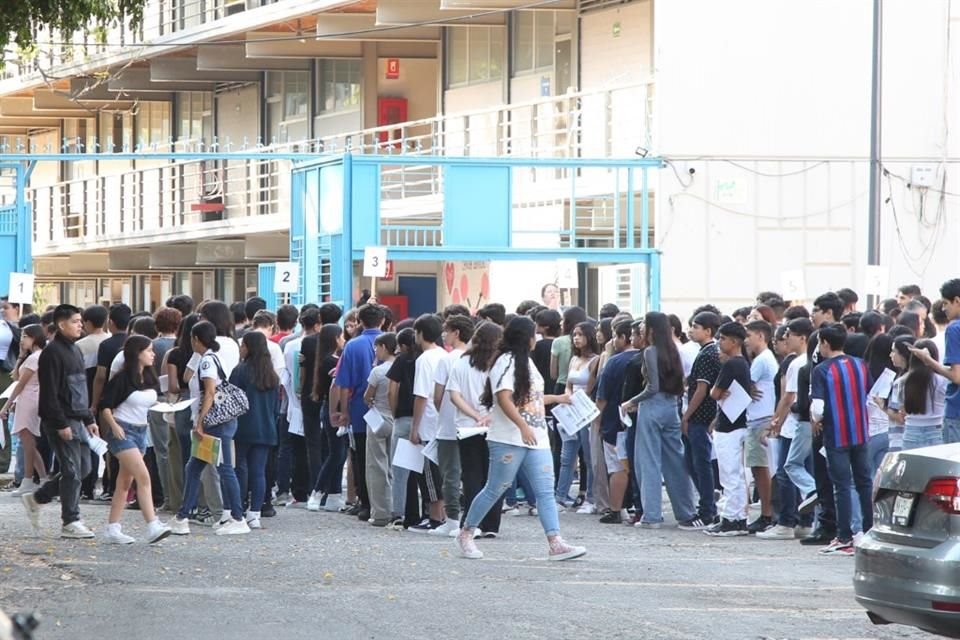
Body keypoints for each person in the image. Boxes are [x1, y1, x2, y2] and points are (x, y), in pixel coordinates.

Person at [455, 316, 585, 561]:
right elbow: (504, 397)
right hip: (508, 438)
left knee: (545, 490)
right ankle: (466, 532)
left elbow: (531, 399)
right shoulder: (506, 361)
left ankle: (555, 541)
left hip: (536, 437)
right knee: (495, 488)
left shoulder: (527, 363)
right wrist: (522, 425)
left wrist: (557, 399)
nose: (536, 338)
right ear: (525, 337)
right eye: (533, 334)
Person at [21, 304, 99, 539]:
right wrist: (60, 423)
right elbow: (50, 393)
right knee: (72, 470)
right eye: (75, 321)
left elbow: (79, 388)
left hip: (78, 419)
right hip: (61, 421)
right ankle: (70, 520)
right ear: (62, 324)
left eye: (80, 321)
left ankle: (38, 498)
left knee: (83, 468)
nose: (80, 325)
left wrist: (88, 418)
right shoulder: (52, 352)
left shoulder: (74, 350)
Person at [170, 320, 249, 536]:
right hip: (220, 422)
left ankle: (237, 517)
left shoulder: (206, 362)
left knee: (223, 468)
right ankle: (182, 516)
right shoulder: (215, 357)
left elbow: (210, 392)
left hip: (214, 423)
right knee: (194, 467)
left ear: (196, 339)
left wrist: (200, 421)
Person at [625, 312, 700, 530]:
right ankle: (686, 512)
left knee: (648, 462)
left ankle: (652, 515)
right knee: (675, 461)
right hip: (671, 408)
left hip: (652, 407)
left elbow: (651, 387)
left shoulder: (650, 351)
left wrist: (630, 401)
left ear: (651, 329)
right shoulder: (674, 350)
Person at [98, 335, 171, 544]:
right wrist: (114, 427)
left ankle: (113, 527)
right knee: (143, 475)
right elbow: (105, 406)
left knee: (125, 481)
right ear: (137, 353)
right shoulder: (122, 379)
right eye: (148, 351)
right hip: (123, 431)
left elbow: (148, 402)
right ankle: (152, 524)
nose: (153, 354)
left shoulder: (148, 377)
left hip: (141, 430)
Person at [811, 323, 873, 556]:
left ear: (825, 343)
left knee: (842, 486)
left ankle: (844, 535)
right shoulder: (860, 365)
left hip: (836, 434)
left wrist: (817, 419)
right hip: (860, 431)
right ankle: (868, 530)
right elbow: (869, 394)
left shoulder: (822, 370)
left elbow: (817, 408)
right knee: (864, 482)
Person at [447, 321, 502, 537]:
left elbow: (454, 394)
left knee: (471, 475)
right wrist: (488, 416)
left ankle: (472, 521)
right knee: (494, 476)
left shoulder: (462, 362)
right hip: (496, 426)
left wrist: (474, 415)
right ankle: (492, 524)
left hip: (467, 427)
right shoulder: (499, 364)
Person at [331, 304, 384, 521]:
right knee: (384, 458)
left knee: (360, 457)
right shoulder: (392, 341)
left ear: (360, 321)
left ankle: (365, 502)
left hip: (360, 410)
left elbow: (343, 383)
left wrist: (344, 412)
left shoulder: (353, 346)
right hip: (387, 409)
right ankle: (383, 502)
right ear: (382, 321)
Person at [706, 322, 753, 537]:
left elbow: (715, 393)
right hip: (736, 422)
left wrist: (717, 392)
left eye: (723, 338)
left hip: (729, 426)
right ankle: (738, 517)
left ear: (734, 341)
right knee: (735, 473)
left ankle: (731, 518)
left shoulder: (733, 364)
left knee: (729, 473)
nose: (719, 343)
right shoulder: (742, 363)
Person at [230, 331, 280, 530]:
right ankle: (255, 513)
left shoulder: (240, 370)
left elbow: (231, 398)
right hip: (267, 427)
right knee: (259, 471)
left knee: (240, 467)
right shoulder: (271, 375)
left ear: (249, 348)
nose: (241, 349)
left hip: (243, 425)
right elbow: (277, 406)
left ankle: (238, 508)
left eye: (243, 346)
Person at [431, 315, 475, 536]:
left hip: (449, 424)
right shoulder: (476, 358)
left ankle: (452, 520)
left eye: (446, 331)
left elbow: (437, 395)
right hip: (474, 424)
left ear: (456, 332)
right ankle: (472, 519)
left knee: (450, 473)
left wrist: (443, 411)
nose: (443, 335)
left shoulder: (446, 360)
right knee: (472, 472)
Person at [680, 311, 722, 526]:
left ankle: (707, 510)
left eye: (696, 327)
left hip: (700, 415)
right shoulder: (706, 351)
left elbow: (701, 389)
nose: (692, 330)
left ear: (708, 330)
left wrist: (686, 416)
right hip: (701, 415)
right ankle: (706, 505)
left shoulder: (708, 354)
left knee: (700, 463)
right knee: (692, 462)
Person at [407, 314, 447, 532]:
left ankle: (434, 516)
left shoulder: (424, 359)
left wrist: (415, 427)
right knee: (441, 471)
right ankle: (441, 515)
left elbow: (421, 396)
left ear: (421, 334)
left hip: (428, 422)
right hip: (442, 421)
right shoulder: (444, 355)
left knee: (429, 474)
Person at [556, 321, 600, 512]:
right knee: (567, 456)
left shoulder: (596, 359)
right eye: (574, 334)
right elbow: (568, 383)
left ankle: (590, 497)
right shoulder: (574, 359)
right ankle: (560, 495)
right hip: (571, 409)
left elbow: (591, 387)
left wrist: (577, 399)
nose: (576, 338)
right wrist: (567, 396)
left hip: (586, 410)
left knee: (589, 457)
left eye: (580, 334)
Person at [910, 278, 960, 444]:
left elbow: (956, 376)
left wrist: (927, 360)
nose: (943, 308)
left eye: (946, 303)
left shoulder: (954, 329)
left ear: (957, 301)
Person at [595, 321, 636, 524]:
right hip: (636, 420)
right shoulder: (646, 357)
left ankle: (615, 508)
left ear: (622, 337)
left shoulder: (614, 362)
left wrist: (597, 420)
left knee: (617, 467)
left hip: (614, 421)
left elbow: (602, 397)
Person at [0, 325, 47, 497]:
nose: (22, 340)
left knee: (28, 442)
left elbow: (20, 383)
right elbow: (16, 376)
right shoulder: (31, 357)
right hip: (27, 398)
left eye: (26, 336)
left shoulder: (36, 358)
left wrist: (6, 405)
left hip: (30, 399)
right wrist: (20, 355)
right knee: (27, 442)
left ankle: (32, 479)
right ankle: (38, 479)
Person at [743, 320, 778, 535]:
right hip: (759, 418)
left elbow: (745, 383)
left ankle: (767, 513)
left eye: (749, 335)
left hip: (760, 419)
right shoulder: (764, 359)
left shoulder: (762, 360)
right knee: (758, 467)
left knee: (760, 468)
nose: (746, 340)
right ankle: (767, 512)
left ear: (760, 336)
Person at [362, 332, 397, 527]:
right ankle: (397, 508)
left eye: (377, 347)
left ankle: (380, 512)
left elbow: (367, 396)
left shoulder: (378, 371)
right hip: (396, 420)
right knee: (395, 466)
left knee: (376, 467)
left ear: (384, 347)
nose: (376, 351)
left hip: (379, 419)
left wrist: (371, 401)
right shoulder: (401, 368)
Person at [899, 339, 947, 450]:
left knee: (913, 467)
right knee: (937, 467)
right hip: (937, 430)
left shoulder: (902, 382)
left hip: (911, 431)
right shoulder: (942, 380)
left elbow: (902, 410)